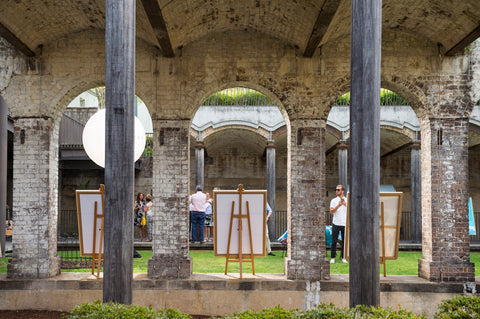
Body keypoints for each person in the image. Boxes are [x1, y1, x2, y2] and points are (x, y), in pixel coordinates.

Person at [330, 185, 347, 264]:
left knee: (345, 242)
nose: (336, 191)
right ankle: (332, 257)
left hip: (344, 223)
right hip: (336, 223)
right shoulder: (333, 200)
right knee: (334, 241)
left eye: (338, 190)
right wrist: (339, 205)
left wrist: (345, 204)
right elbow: (331, 211)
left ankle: (344, 257)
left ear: (342, 191)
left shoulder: (347, 200)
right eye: (336, 189)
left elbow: (351, 210)